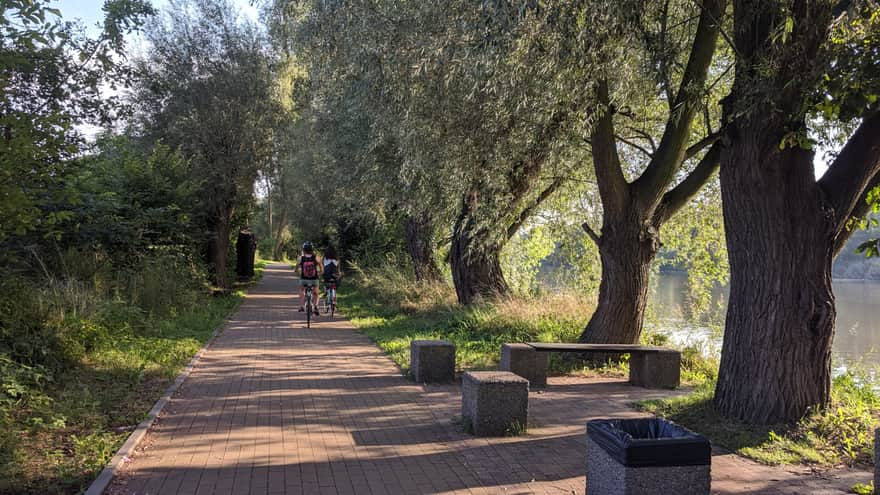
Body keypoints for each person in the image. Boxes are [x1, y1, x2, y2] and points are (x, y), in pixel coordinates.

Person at [297, 241, 321, 314]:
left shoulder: (300, 258)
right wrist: (320, 273)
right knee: (316, 293)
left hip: (304, 279)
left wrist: (297, 272)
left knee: (302, 291)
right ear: (312, 249)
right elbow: (321, 268)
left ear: (304, 249)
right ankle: (316, 306)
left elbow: (296, 268)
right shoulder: (316, 257)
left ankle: (302, 306)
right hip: (314, 279)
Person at [322, 245, 342, 311]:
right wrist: (339, 274)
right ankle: (334, 304)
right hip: (335, 276)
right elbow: (338, 269)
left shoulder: (324, 259)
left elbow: (322, 269)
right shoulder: (337, 259)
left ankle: (325, 295)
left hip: (326, 276)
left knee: (325, 285)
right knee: (335, 288)